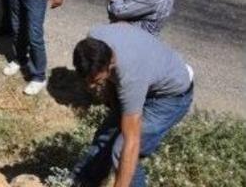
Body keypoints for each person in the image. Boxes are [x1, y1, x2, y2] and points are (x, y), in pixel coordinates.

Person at [71, 24, 194, 187]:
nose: (91, 86)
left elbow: (132, 141)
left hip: (170, 98)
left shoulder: (130, 77)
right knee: (105, 136)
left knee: (121, 150)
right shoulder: (94, 40)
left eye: (95, 81)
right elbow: (123, 25)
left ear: (110, 64)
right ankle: (83, 182)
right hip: (150, 77)